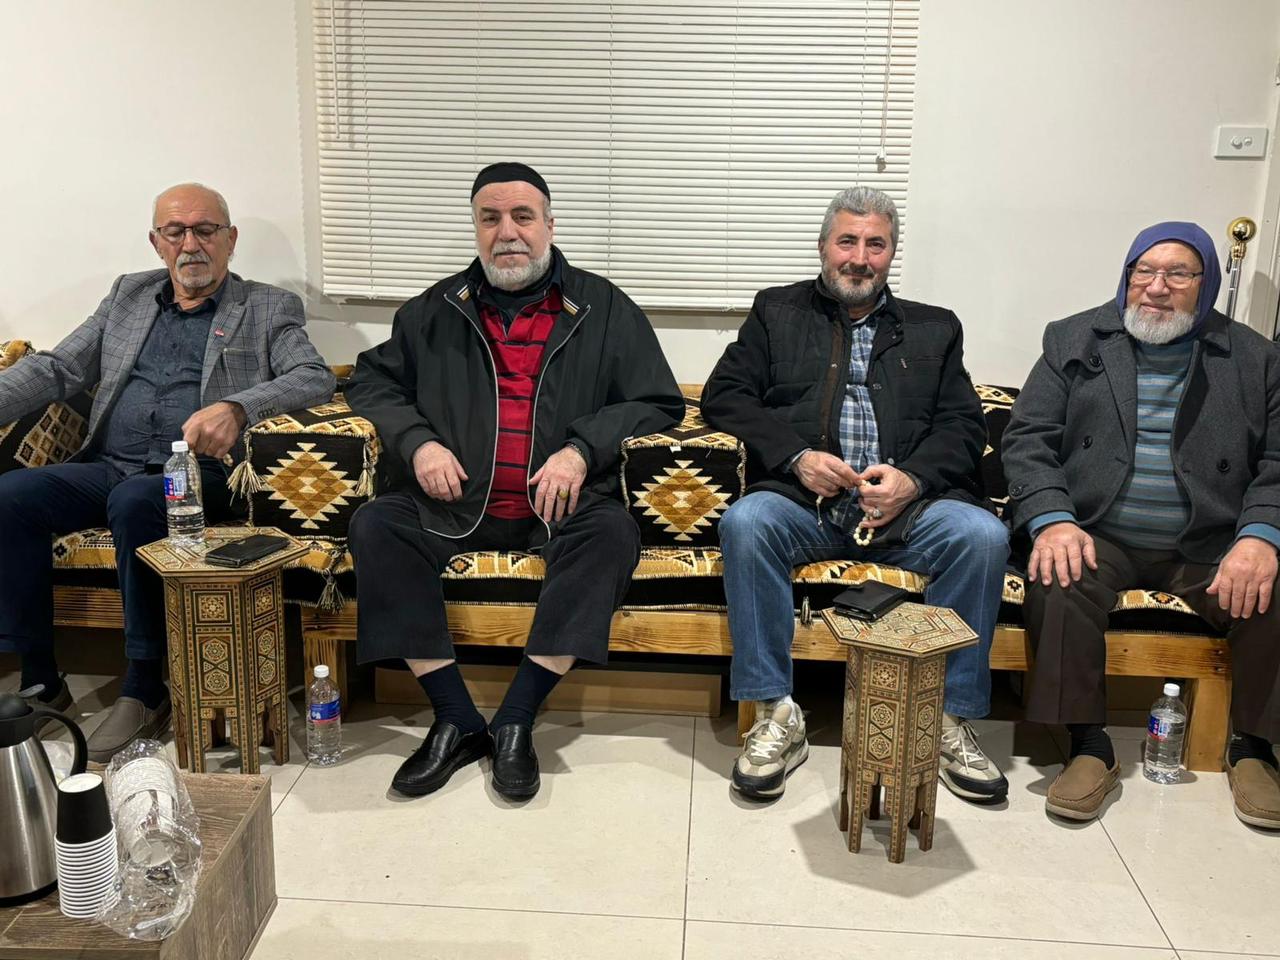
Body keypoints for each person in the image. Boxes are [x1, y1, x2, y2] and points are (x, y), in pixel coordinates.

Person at [345, 162, 683, 801]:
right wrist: (418, 444)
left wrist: (581, 449)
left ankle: (516, 718)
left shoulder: (603, 307)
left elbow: (658, 400)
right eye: (490, 218)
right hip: (453, 504)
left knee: (612, 534)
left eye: (523, 217)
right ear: (475, 228)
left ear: (550, 225)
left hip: (559, 507)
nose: (507, 232)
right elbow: (371, 381)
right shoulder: (434, 310)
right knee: (375, 525)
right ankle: (454, 717)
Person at [0, 182, 335, 762]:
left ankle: (144, 684)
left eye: (205, 230)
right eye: (175, 231)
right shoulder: (127, 296)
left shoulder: (266, 306)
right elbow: (59, 369)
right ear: (156, 243)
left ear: (230, 239)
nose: (191, 244)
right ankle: (39, 676)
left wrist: (237, 408)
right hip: (110, 466)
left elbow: (314, 375)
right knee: (11, 494)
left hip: (200, 477)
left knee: (135, 500)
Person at [702, 186, 1010, 803]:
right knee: (746, 523)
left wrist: (912, 479)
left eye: (876, 244)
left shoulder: (935, 327)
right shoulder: (776, 312)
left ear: (892, 253)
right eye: (848, 241)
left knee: (982, 536)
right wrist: (797, 457)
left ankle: (946, 721)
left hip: (910, 510)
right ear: (823, 247)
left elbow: (963, 424)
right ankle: (775, 714)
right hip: (806, 506)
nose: (860, 258)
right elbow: (725, 395)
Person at [1004, 221, 1280, 827]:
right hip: (1099, 531)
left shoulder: (1257, 358)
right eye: (1144, 271)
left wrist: (1260, 536)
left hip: (1209, 543)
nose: (1156, 287)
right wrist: (1053, 519)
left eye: (1178, 274)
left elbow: (1277, 462)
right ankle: (1087, 745)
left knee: (1273, 588)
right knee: (1057, 577)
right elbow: (1027, 438)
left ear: (1205, 284)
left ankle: (1254, 747)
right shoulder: (1072, 337)